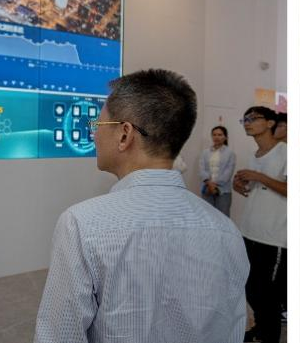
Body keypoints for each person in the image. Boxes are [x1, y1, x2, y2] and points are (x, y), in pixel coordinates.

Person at [35, 69, 249, 342]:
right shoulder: (226, 231)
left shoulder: (82, 224)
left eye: (98, 125)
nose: (94, 135)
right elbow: (232, 330)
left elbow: (58, 336)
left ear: (125, 134)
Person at [233, 105, 288, 343]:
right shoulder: (254, 155)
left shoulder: (286, 152)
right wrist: (241, 185)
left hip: (274, 237)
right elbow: (258, 189)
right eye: (244, 119)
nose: (247, 122)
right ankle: (261, 331)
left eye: (253, 118)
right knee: (251, 289)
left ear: (270, 123)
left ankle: (268, 335)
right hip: (250, 231)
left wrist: (259, 177)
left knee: (268, 296)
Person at [199, 125, 236, 216]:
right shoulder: (205, 152)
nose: (216, 137)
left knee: (222, 216)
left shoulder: (230, 153)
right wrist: (209, 183)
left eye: (220, 135)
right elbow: (201, 169)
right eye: (214, 135)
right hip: (207, 189)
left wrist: (215, 185)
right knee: (207, 216)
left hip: (223, 190)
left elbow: (228, 172)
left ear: (225, 137)